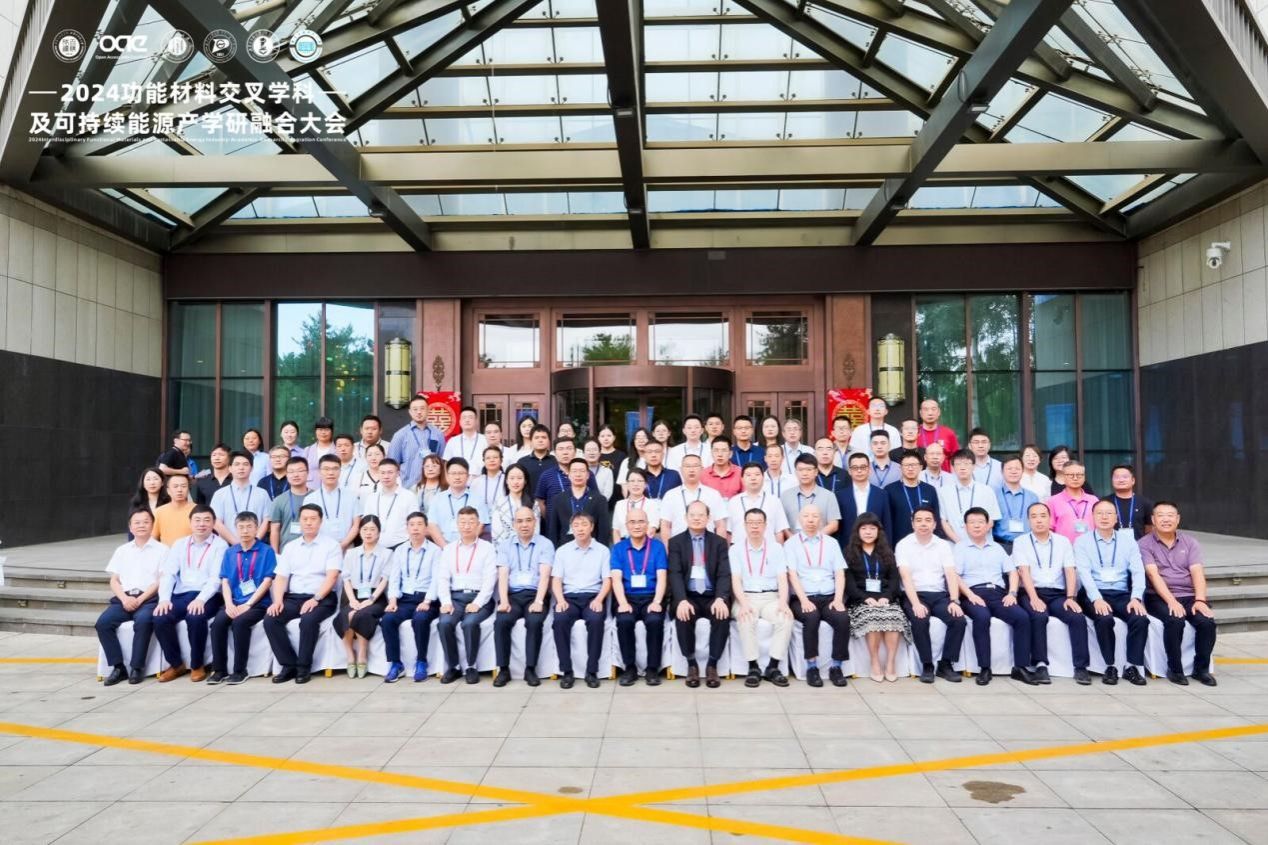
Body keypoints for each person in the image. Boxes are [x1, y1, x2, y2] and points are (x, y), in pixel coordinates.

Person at [953, 508, 1038, 686]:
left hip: (998, 594)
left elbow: (1012, 572)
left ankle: (1020, 667)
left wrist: (1012, 593)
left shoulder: (997, 548)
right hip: (973, 593)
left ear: (988, 525)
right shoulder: (960, 548)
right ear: (965, 526)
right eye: (972, 522)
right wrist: (970, 595)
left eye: (980, 522)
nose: (977, 526)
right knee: (982, 617)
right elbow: (955, 576)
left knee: (1022, 617)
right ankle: (985, 668)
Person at [1139, 501, 1218, 686]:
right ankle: (1175, 669)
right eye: (1161, 515)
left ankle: (1201, 670)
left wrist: (1200, 600)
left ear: (1178, 519)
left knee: (1207, 623)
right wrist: (1171, 601)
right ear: (1153, 519)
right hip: (1158, 596)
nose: (1166, 519)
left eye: (1170, 515)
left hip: (1189, 596)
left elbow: (1197, 572)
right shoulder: (1144, 544)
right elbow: (1153, 575)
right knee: (1175, 620)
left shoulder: (1190, 542)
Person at [264, 503, 343, 684]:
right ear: (299, 521)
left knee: (308, 620)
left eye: (313, 519)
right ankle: (288, 665)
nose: (308, 523)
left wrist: (316, 599)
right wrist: (277, 601)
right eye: (305, 519)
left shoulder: (331, 546)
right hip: (294, 597)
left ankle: (304, 667)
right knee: (271, 619)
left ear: (320, 522)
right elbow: (281, 577)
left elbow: (332, 577)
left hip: (322, 597)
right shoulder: (290, 547)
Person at [1074, 498, 1149, 686]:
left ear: (1116, 518)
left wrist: (1136, 597)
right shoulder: (1082, 542)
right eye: (1099, 513)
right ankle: (1110, 666)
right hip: (1094, 593)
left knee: (1140, 619)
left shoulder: (1128, 542)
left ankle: (1132, 666)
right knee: (1104, 618)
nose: (1104, 517)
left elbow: (1138, 571)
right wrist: (1097, 599)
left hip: (1121, 593)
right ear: (1093, 517)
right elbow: (1084, 574)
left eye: (1109, 513)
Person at [1013, 502, 1088, 685]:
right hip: (1031, 592)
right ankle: (1040, 665)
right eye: (1034, 517)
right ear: (1028, 520)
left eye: (1043, 516)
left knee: (1077, 617)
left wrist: (1070, 597)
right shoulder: (1020, 542)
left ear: (1050, 519)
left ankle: (1081, 667)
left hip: (1057, 594)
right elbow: (1023, 571)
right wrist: (1034, 598)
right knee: (1038, 616)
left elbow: (1070, 570)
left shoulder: (1063, 542)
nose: (1039, 520)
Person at [154, 505, 229, 683]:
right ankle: (176, 664)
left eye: (206, 520)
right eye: (197, 520)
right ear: (190, 523)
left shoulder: (220, 545)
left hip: (208, 595)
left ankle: (197, 665)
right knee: (160, 617)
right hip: (181, 593)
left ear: (213, 523)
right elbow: (169, 574)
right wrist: (164, 599)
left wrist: (201, 599)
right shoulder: (179, 544)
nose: (201, 524)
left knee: (195, 617)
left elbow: (215, 579)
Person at [97, 509, 167, 686]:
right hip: (124, 598)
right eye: (137, 522)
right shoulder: (122, 550)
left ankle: (137, 667)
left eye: (146, 522)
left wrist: (140, 599)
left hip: (149, 599)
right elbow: (114, 580)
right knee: (103, 623)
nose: (141, 525)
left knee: (143, 621)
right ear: (130, 527)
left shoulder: (162, 550)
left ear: (152, 525)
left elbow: (161, 581)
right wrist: (124, 599)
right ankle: (118, 667)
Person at [896, 506, 966, 684]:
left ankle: (946, 664)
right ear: (912, 523)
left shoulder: (943, 545)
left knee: (958, 620)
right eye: (919, 520)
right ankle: (927, 665)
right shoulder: (903, 545)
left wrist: (954, 600)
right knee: (920, 620)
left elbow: (950, 574)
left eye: (928, 520)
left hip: (939, 595)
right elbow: (905, 577)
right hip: (915, 594)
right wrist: (915, 604)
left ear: (935, 524)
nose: (923, 524)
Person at [207, 511, 276, 685]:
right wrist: (229, 604)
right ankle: (219, 670)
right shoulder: (230, 552)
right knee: (217, 624)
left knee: (240, 623)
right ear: (236, 529)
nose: (245, 531)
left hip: (258, 603)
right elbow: (225, 581)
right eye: (241, 527)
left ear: (256, 528)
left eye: (249, 527)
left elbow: (268, 581)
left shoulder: (266, 551)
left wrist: (249, 604)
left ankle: (240, 671)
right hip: (234, 601)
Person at [667, 501, 731, 688]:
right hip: (688, 595)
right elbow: (675, 574)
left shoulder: (719, 542)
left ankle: (712, 665)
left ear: (708, 518)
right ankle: (691, 664)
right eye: (692, 515)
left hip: (712, 595)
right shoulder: (676, 542)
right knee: (683, 614)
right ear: (685, 518)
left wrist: (721, 598)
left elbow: (724, 573)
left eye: (701, 515)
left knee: (721, 614)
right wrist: (681, 600)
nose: (696, 518)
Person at [785, 505, 850, 687]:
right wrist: (804, 600)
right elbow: (792, 575)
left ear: (820, 520)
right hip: (803, 598)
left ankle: (836, 667)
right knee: (811, 617)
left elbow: (839, 573)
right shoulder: (791, 544)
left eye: (815, 516)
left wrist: (838, 599)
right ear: (799, 520)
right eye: (806, 516)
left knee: (843, 618)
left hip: (829, 597)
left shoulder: (831, 543)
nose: (811, 520)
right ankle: (811, 667)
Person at [729, 508, 792, 688]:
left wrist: (783, 603)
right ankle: (753, 667)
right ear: (744, 525)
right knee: (746, 618)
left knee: (785, 618)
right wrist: (743, 604)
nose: (755, 526)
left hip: (771, 597)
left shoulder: (776, 548)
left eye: (758, 523)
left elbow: (782, 579)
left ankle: (773, 667)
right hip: (746, 597)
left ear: (765, 526)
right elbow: (735, 580)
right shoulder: (735, 549)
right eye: (751, 523)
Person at [435, 507, 498, 684]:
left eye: (471, 522)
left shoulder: (487, 548)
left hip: (480, 599)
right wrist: (446, 602)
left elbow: (490, 579)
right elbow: (442, 578)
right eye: (463, 522)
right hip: (455, 598)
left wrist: (478, 603)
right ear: (457, 525)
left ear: (478, 525)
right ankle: (454, 666)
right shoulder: (449, 549)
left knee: (469, 623)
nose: (467, 526)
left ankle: (471, 666)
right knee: (444, 623)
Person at [492, 507, 554, 687]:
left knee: (534, 621)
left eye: (528, 520)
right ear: (513, 524)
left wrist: (539, 601)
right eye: (519, 521)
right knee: (501, 621)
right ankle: (503, 669)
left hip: (536, 594)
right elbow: (503, 574)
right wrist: (504, 600)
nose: (524, 525)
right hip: (513, 595)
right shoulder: (505, 545)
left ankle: (530, 669)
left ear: (535, 522)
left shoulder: (545, 544)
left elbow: (545, 575)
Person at [844, 514, 910, 683]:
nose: (868, 532)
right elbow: (849, 584)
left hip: (886, 599)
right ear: (857, 531)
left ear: (878, 531)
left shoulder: (887, 552)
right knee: (872, 617)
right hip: (860, 601)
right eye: (864, 528)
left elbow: (894, 580)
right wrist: (865, 598)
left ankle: (890, 663)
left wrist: (886, 597)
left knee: (894, 616)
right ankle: (875, 662)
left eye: (872, 528)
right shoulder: (849, 553)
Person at [551, 512, 611, 689]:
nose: (580, 529)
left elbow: (607, 580)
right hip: (569, 598)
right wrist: (560, 600)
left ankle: (591, 671)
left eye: (584, 524)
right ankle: (566, 671)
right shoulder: (562, 551)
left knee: (596, 620)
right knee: (560, 620)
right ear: (571, 528)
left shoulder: (603, 551)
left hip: (593, 597)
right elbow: (556, 580)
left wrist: (599, 599)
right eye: (576, 525)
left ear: (592, 527)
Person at [380, 512, 441, 683]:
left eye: (419, 524)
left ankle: (421, 662)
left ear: (426, 528)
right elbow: (394, 577)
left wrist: (427, 601)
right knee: (387, 619)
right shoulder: (400, 550)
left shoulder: (435, 551)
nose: (415, 528)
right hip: (405, 599)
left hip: (427, 599)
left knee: (420, 619)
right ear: (407, 528)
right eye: (412, 525)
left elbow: (437, 579)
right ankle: (395, 663)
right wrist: (392, 600)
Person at [610, 509, 668, 686]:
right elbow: (616, 579)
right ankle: (629, 668)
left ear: (648, 524)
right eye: (632, 522)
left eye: (641, 521)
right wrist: (622, 602)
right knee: (625, 620)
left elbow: (662, 577)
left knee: (654, 620)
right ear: (626, 526)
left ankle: (652, 669)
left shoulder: (657, 547)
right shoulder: (619, 548)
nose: (637, 526)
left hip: (651, 596)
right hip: (627, 596)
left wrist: (657, 601)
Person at [337, 515, 389, 679]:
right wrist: (352, 600)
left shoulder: (387, 553)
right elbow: (346, 579)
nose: (368, 533)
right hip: (353, 594)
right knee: (347, 614)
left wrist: (371, 599)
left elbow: (385, 579)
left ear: (379, 532)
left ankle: (362, 654)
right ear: (359, 532)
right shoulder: (351, 553)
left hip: (375, 597)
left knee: (361, 615)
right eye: (365, 529)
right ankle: (350, 655)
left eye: (372, 529)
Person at [938, 449, 1001, 543]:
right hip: (955, 545)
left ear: (974, 466)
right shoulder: (944, 492)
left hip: (982, 544)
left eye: (967, 464)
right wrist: (959, 542)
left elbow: (991, 520)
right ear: (953, 467)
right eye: (958, 464)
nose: (962, 467)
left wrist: (975, 540)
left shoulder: (986, 490)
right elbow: (943, 521)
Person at [546, 457, 611, 547]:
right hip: (565, 547)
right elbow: (553, 529)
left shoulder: (599, 499)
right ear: (568, 474)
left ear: (588, 475)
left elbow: (603, 531)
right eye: (574, 471)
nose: (578, 474)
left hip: (591, 547)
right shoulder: (558, 499)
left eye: (582, 471)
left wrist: (602, 550)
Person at [210, 451, 272, 546]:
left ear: (252, 468)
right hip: (227, 547)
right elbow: (216, 522)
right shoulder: (220, 494)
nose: (241, 468)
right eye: (237, 464)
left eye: (245, 464)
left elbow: (267, 520)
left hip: (256, 546)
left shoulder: (262, 493)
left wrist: (255, 542)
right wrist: (236, 543)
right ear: (230, 468)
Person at [660, 454, 728, 540]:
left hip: (708, 544)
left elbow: (720, 525)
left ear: (702, 469)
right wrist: (668, 547)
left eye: (695, 466)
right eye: (687, 466)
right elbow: (665, 526)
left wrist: (718, 547)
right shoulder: (670, 495)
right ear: (681, 469)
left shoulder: (713, 494)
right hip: (678, 545)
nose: (691, 470)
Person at [429, 458, 491, 546]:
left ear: (468, 476)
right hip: (442, 548)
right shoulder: (437, 499)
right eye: (453, 473)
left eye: (461, 473)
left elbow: (481, 525)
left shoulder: (477, 499)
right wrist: (446, 548)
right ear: (447, 476)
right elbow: (432, 526)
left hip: (470, 547)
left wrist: (465, 546)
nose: (457, 477)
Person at [387, 396, 447, 488]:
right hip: (408, 487)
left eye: (422, 408)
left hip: (434, 487)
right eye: (415, 409)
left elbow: (442, 461)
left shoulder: (438, 434)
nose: (419, 412)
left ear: (428, 410)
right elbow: (392, 464)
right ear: (410, 412)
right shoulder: (400, 435)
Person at [361, 459, 420, 550]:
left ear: (398, 474)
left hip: (402, 546)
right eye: (382, 473)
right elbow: (366, 524)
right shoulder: (371, 498)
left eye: (390, 472)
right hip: (376, 547)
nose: (386, 476)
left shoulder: (409, 496)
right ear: (378, 474)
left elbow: (415, 524)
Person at [886, 451, 940, 545]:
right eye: (906, 465)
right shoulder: (889, 490)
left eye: (914, 465)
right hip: (899, 543)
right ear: (900, 468)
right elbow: (887, 521)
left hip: (927, 544)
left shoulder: (930, 490)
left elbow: (936, 519)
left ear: (921, 467)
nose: (910, 468)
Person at [728, 462, 790, 545]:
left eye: (757, 474)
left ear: (763, 478)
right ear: (742, 479)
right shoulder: (733, 502)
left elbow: (779, 532)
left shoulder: (774, 500)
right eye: (748, 475)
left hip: (768, 549)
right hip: (739, 550)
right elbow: (729, 532)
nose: (753, 478)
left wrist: (778, 551)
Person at [835, 452, 891, 541]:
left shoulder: (882, 494)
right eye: (855, 467)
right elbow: (838, 526)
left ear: (869, 470)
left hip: (876, 544)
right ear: (849, 471)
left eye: (863, 467)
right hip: (848, 544)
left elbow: (887, 524)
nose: (859, 471)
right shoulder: (840, 495)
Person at [782, 454, 841, 537]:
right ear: (795, 472)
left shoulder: (829, 495)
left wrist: (815, 538)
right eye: (800, 470)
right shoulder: (785, 496)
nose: (804, 473)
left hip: (820, 542)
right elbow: (781, 524)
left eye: (809, 469)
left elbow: (834, 524)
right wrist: (794, 540)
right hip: (793, 543)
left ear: (816, 472)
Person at [534, 438, 597, 511]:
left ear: (575, 452)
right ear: (554, 453)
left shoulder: (586, 473)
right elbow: (540, 502)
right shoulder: (546, 476)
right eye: (561, 449)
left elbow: (595, 498)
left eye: (569, 448)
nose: (565, 452)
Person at [994, 455, 1039, 552]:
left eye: (1017, 468)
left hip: (1027, 546)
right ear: (1002, 472)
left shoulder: (1033, 497)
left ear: (1022, 471)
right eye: (1009, 468)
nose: (1013, 471)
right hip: (1000, 545)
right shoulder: (994, 495)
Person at [268, 456, 312, 553]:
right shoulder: (279, 500)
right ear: (286, 474)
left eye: (300, 471)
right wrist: (276, 555)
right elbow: (275, 529)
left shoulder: (316, 497)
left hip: (313, 550)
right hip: (287, 552)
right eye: (291, 472)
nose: (296, 475)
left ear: (308, 473)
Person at [1048, 461, 1099, 543]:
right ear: (1063, 477)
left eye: (1079, 475)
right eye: (1071, 475)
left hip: (1090, 547)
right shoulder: (1052, 501)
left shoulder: (1094, 500)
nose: (1075, 478)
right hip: (1064, 548)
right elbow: (1049, 529)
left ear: (1084, 477)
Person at [490, 464, 540, 545]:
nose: (515, 482)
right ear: (506, 481)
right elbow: (496, 533)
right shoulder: (498, 503)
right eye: (512, 478)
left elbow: (536, 530)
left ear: (525, 481)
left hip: (529, 547)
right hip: (505, 548)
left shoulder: (533, 503)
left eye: (519, 478)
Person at [612, 468, 662, 542]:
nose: (636, 484)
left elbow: (651, 531)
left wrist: (637, 545)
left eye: (640, 481)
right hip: (623, 545)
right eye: (632, 481)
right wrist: (619, 547)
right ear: (627, 484)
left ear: (646, 485)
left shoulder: (652, 505)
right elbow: (616, 531)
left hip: (645, 544)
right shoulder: (619, 504)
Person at [1109, 465, 1153, 540]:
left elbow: (1149, 528)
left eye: (1125, 477)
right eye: (1116, 477)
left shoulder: (1145, 503)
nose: (1121, 480)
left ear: (1133, 481)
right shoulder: (1104, 503)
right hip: (1111, 545)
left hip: (1139, 545)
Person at [916, 399, 959, 470]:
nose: (930, 413)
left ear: (939, 412)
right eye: (926, 409)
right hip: (919, 476)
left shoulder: (949, 433)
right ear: (920, 413)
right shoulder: (914, 433)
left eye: (933, 409)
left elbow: (956, 459)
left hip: (944, 475)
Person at [516, 424, 558, 495]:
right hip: (528, 501)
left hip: (552, 501)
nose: (540, 440)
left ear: (549, 441)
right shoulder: (522, 462)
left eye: (544, 437)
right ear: (531, 441)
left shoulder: (556, 461)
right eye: (536, 437)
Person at [153, 474, 195, 544]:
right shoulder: (159, 512)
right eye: (175, 486)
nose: (179, 490)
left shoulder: (197, 510)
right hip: (167, 550)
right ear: (168, 490)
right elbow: (153, 539)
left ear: (188, 489)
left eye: (183, 486)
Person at [615, 426, 650, 495]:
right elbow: (624, 486)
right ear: (633, 442)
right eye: (638, 438)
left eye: (644, 437)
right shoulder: (626, 462)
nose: (641, 441)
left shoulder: (654, 460)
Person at [304, 417, 337, 485]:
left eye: (326, 429)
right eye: (320, 429)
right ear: (315, 431)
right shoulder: (308, 450)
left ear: (332, 431)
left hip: (331, 486)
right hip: (311, 487)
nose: (323, 432)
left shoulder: (337, 449)